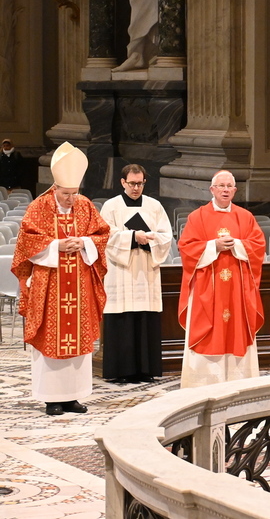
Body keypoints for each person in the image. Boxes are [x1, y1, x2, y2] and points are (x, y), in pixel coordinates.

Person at [13, 142, 109, 415]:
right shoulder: (39, 207)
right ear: (55, 188)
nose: (71, 199)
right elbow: (26, 242)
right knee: (50, 336)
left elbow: (102, 234)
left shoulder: (85, 205)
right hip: (50, 285)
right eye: (66, 194)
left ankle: (73, 396)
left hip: (80, 283)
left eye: (74, 193)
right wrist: (56, 246)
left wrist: (84, 243)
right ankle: (52, 398)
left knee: (79, 339)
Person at [177, 171, 265, 388]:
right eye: (221, 186)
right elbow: (186, 248)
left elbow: (258, 245)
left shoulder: (245, 217)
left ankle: (239, 385)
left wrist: (238, 244)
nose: (225, 190)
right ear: (212, 189)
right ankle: (203, 386)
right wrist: (213, 246)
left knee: (236, 330)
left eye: (229, 186)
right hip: (208, 289)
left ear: (235, 190)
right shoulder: (197, 217)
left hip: (237, 290)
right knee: (209, 333)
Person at [99, 164, 172, 383]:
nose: (136, 188)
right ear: (123, 182)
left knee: (144, 318)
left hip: (146, 270)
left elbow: (166, 236)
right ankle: (121, 371)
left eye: (140, 183)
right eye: (132, 183)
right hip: (121, 270)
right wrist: (132, 237)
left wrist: (148, 239)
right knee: (122, 318)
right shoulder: (111, 206)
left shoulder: (154, 206)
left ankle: (145, 370)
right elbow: (104, 236)